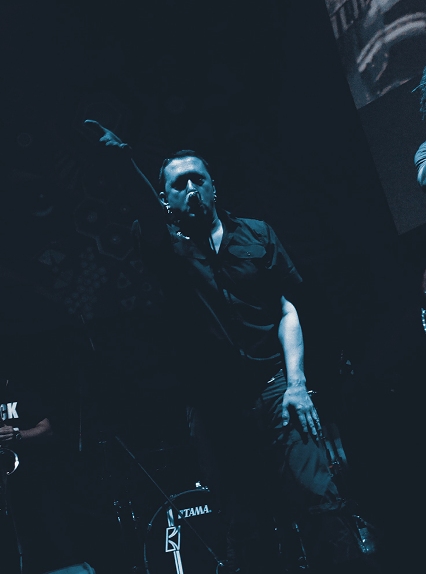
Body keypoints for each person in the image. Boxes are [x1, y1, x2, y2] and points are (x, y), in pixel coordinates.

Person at [83, 119, 373, 574]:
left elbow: (286, 308)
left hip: (275, 387)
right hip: (215, 404)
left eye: (198, 179)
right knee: (245, 523)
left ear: (214, 186)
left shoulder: (256, 234)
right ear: (166, 198)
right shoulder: (162, 246)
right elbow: (146, 210)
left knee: (322, 502)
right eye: (179, 184)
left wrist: (297, 384)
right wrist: (123, 163)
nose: (191, 189)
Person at [0, 375, 75, 574]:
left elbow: (47, 429)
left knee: (47, 536)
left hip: (34, 476)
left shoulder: (20, 390)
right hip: (5, 483)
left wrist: (17, 434)